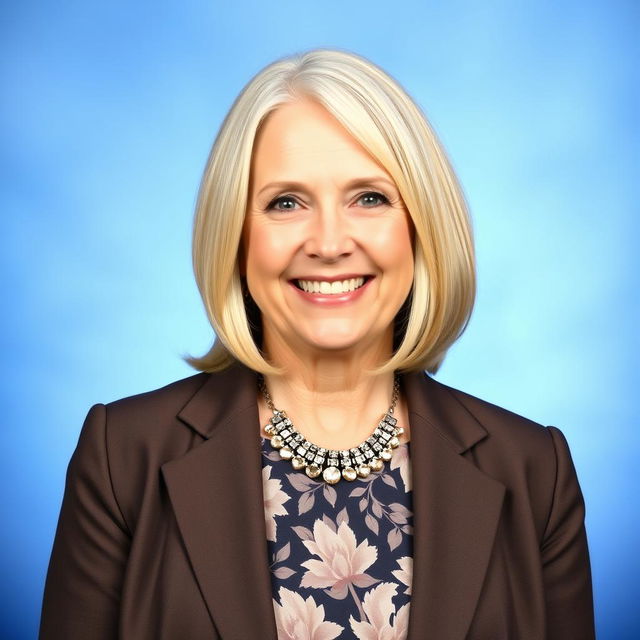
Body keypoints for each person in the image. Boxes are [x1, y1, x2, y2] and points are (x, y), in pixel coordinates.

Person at [39, 48, 595, 639]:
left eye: (369, 197)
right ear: (236, 236)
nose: (329, 243)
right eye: (286, 202)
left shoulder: (535, 471)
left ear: (420, 229)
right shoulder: (123, 457)